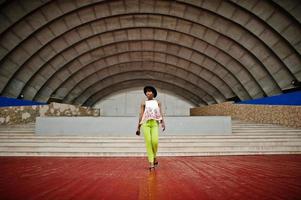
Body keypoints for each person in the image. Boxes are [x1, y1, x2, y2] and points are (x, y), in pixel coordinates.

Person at [137, 86, 165, 170]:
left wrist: (163, 122)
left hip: (155, 123)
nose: (148, 93)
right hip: (145, 123)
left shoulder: (158, 102)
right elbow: (141, 115)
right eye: (146, 91)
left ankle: (155, 157)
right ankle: (151, 163)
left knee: (155, 141)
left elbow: (160, 113)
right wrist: (138, 127)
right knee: (148, 142)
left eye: (149, 91)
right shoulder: (143, 103)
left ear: (153, 93)